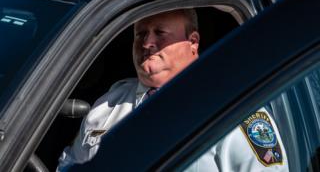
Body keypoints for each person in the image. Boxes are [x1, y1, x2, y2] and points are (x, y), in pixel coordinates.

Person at [57, 9, 288, 172]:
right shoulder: (107, 105)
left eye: (160, 33)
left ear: (193, 42)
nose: (147, 43)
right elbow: (69, 165)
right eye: (140, 34)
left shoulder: (232, 109)